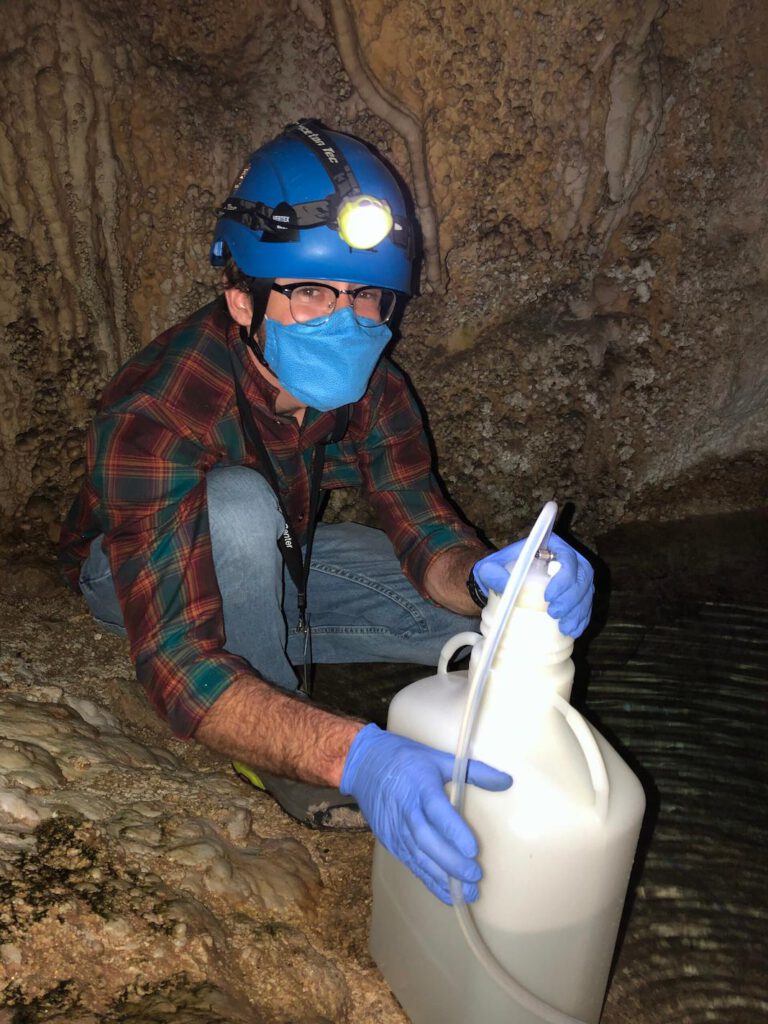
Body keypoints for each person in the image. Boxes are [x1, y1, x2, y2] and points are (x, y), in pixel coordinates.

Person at [59, 119, 594, 906]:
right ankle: (272, 746)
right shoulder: (159, 406)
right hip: (138, 570)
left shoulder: (372, 380)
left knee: (487, 631)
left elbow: (420, 522)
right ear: (242, 299)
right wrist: (352, 754)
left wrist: (489, 580)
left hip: (285, 555)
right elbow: (177, 666)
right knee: (239, 506)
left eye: (365, 295)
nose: (345, 319)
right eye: (310, 292)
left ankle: (296, 652)